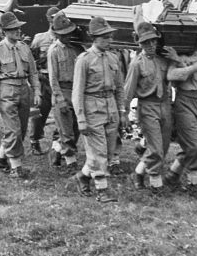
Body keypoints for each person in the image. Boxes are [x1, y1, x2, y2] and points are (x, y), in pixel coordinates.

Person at [71, 15, 126, 205]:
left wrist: (122, 110)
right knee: (99, 151)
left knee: (109, 152)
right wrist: (81, 119)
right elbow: (77, 91)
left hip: (110, 108)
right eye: (104, 37)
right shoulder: (84, 60)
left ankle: (83, 176)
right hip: (92, 109)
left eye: (110, 36)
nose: (109, 40)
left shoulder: (113, 58)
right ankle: (102, 190)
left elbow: (119, 87)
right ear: (94, 38)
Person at [0, 10, 40, 181]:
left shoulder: (24, 48)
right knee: (13, 130)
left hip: (24, 89)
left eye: (18, 28)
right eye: (13, 29)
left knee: (21, 130)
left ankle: (0, 160)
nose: (17, 31)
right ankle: (16, 167)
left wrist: (37, 91)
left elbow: (33, 72)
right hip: (7, 91)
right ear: (5, 32)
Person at [164, 20, 197, 198]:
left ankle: (172, 175)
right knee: (193, 145)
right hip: (185, 101)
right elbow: (172, 75)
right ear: (195, 40)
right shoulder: (182, 56)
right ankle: (193, 184)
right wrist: (189, 65)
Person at [124, 21, 179, 195]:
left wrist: (175, 59)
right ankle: (156, 183)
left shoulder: (163, 59)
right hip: (147, 107)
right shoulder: (137, 64)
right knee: (156, 149)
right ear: (139, 44)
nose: (150, 45)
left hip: (164, 105)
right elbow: (128, 90)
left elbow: (174, 78)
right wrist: (123, 113)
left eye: (153, 41)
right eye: (146, 42)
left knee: (163, 146)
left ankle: (138, 173)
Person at [46, 11, 82, 172]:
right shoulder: (54, 51)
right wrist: (59, 100)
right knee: (66, 131)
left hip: (76, 92)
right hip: (62, 91)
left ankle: (56, 150)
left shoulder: (76, 49)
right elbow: (53, 79)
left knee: (76, 129)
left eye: (69, 33)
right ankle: (71, 162)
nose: (67, 36)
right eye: (63, 34)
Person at [27, 5, 61, 154]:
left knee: (62, 112)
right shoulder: (40, 39)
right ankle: (34, 141)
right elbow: (31, 60)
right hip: (44, 79)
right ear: (48, 19)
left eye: (58, 19)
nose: (54, 22)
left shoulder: (66, 40)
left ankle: (58, 143)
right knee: (40, 112)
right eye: (52, 19)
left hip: (59, 82)